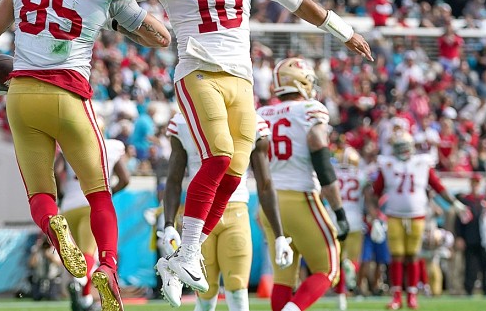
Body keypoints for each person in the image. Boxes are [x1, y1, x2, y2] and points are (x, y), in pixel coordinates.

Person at [123, 0, 372, 293]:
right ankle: (186, 254)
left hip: (240, 79)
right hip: (197, 69)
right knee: (218, 154)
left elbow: (297, 2)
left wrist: (343, 31)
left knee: (234, 173)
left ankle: (182, 260)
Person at [0, 0, 171, 311]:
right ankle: (108, 269)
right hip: (67, 97)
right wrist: (114, 6)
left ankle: (56, 231)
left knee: (41, 195)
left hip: (21, 95)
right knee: (100, 197)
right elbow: (159, 38)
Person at [157, 112, 291, 309]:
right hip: (199, 214)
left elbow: (265, 183)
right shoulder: (183, 120)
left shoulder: (251, 120)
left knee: (237, 288)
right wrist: (168, 224)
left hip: (233, 211)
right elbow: (174, 180)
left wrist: (280, 235)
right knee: (204, 292)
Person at [255, 58, 349, 311]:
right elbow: (318, 145)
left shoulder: (261, 114)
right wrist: (339, 210)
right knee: (328, 269)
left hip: (269, 204)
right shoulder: (310, 109)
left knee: (283, 278)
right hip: (301, 198)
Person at [369, 132, 470, 310]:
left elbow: (438, 186)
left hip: (417, 215)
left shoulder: (422, 164)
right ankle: (397, 296)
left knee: (413, 255)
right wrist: (374, 215)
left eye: (404, 146)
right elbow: (374, 193)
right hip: (394, 215)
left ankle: (412, 296)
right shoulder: (388, 165)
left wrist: (455, 204)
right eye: (399, 147)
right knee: (397, 256)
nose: (402, 150)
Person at [56, 136, 131, 311]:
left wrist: (61, 195)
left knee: (77, 255)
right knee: (89, 254)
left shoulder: (69, 143)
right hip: (92, 205)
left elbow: (56, 170)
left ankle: (86, 299)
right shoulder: (113, 146)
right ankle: (79, 282)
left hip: (69, 206)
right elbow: (125, 179)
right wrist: (109, 193)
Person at [333, 147, 368, 310]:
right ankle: (350, 267)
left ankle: (341, 294)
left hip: (336, 220)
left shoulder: (333, 173)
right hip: (354, 220)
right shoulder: (361, 175)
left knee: (337, 261)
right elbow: (369, 196)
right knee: (353, 260)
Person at [455, 174, 486, 296]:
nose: (475, 186)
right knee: (471, 267)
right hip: (471, 238)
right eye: (473, 183)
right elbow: (459, 221)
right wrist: (459, 236)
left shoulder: (485, 201)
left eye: (477, 183)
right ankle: (469, 290)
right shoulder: (465, 201)